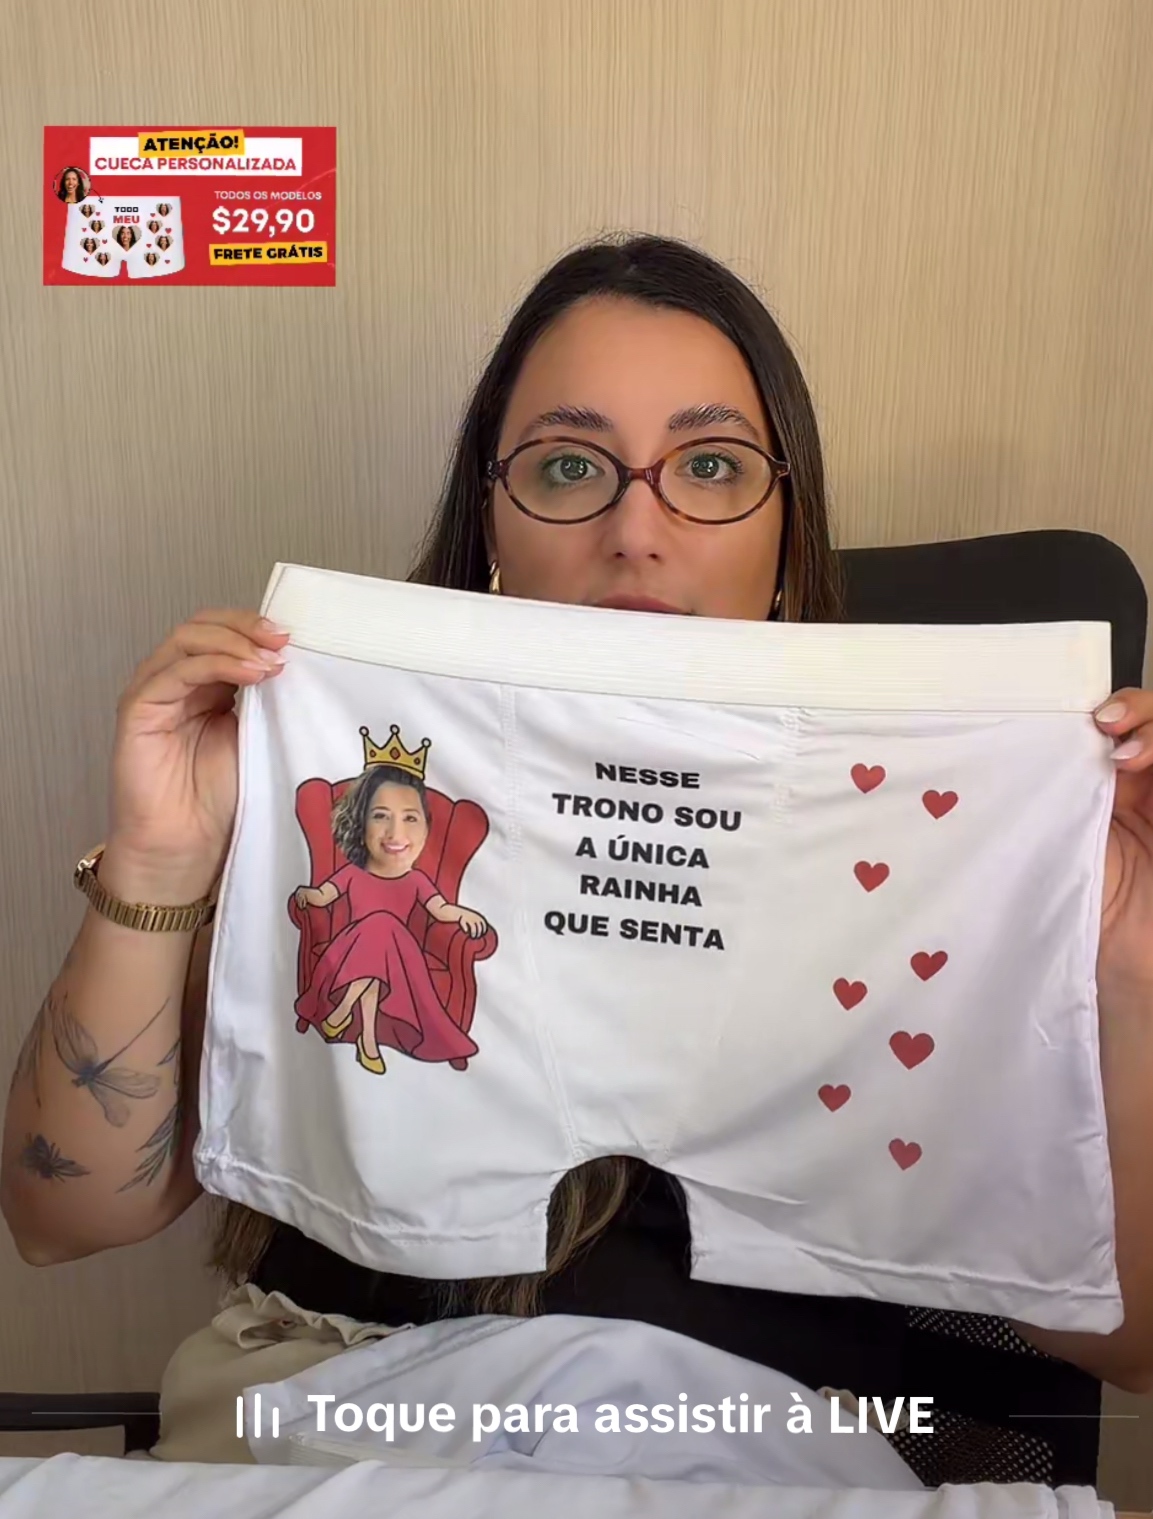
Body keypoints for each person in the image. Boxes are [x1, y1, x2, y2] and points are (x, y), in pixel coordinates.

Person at [2, 235, 1151, 1485]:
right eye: (568, 465)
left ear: (787, 530)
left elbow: (1131, 1345)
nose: (635, 529)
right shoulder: (363, 785)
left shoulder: (939, 830)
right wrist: (161, 859)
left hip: (754, 1453)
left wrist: (1130, 954)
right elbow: (63, 1217)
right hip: (338, 1424)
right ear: (491, 517)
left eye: (709, 466)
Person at [292, 758, 487, 1073]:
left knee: (382, 934)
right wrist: (308, 895)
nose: (396, 832)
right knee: (377, 938)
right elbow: (324, 895)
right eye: (380, 816)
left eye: (410, 818)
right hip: (351, 949)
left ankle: (344, 1013)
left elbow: (440, 909)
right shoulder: (352, 874)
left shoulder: (417, 881)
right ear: (361, 824)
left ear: (426, 828)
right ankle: (367, 1042)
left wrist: (462, 914)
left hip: (400, 957)